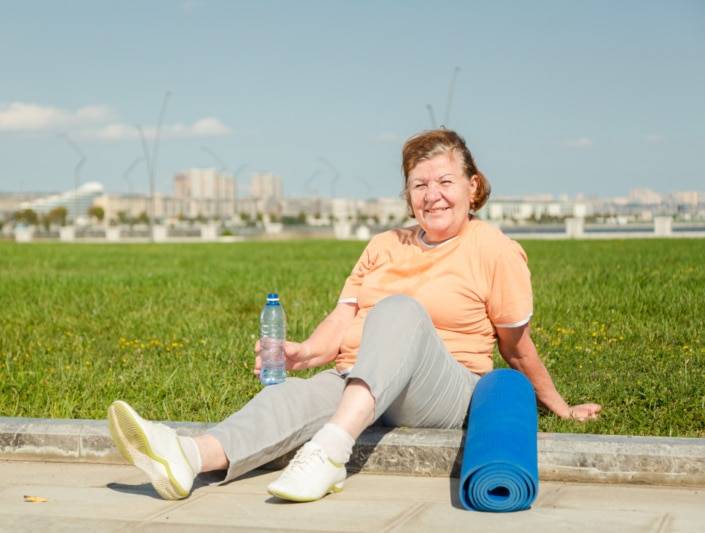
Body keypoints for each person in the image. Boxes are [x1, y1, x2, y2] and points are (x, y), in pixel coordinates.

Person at [108, 128, 601, 502]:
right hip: (364, 380)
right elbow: (342, 320)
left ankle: (329, 452)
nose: (433, 195)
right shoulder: (384, 245)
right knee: (293, 399)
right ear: (408, 195)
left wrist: (559, 405)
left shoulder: (494, 249)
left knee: (400, 311)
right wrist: (302, 353)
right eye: (419, 184)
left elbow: (516, 346)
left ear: (473, 187)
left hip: (446, 388)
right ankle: (188, 458)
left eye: (445, 181)